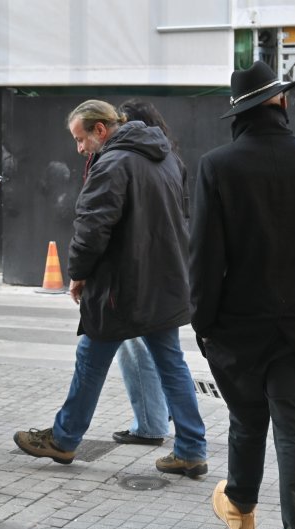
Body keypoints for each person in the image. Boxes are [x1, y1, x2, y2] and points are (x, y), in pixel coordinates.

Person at [189, 61, 295, 529]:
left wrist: (204, 322)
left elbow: (205, 257)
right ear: (280, 102)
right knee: (292, 423)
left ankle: (240, 506)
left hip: (237, 321)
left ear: (239, 112)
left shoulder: (218, 166)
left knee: (245, 416)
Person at [13, 99, 208, 477]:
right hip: (163, 284)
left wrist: (79, 273)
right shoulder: (167, 159)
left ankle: (65, 439)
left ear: (100, 130)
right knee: (172, 366)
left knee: (90, 360)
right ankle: (191, 449)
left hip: (122, 289)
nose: (79, 148)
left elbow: (91, 227)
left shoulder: (114, 163)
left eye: (80, 138)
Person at [108, 99, 184, 447]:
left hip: (140, 270)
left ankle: (151, 423)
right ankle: (173, 424)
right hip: (169, 268)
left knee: (136, 350)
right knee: (165, 354)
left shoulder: (129, 161)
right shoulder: (170, 159)